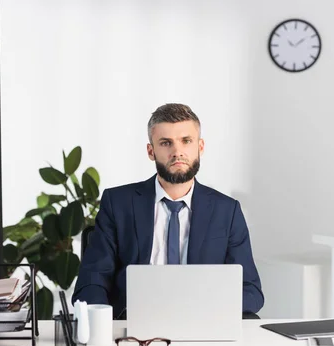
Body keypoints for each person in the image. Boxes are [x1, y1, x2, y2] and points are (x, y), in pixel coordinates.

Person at [72, 103, 264, 319]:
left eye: (186, 141)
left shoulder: (227, 211)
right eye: (166, 143)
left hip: (202, 323)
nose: (177, 152)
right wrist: (103, 327)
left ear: (200, 147)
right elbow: (92, 282)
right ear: (151, 151)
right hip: (132, 327)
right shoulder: (118, 204)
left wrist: (205, 308)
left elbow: (251, 292)